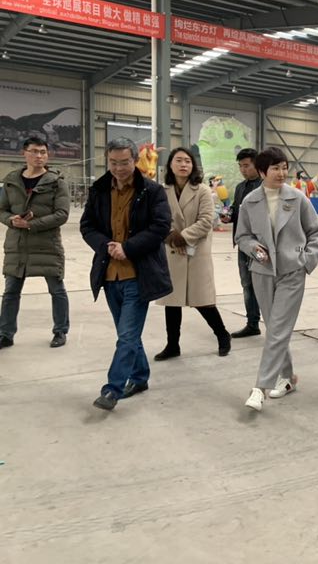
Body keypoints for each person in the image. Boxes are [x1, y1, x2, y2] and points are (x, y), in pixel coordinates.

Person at [80, 137, 172, 411]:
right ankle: (140, 377)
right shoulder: (99, 190)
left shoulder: (152, 191)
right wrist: (106, 246)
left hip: (138, 275)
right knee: (127, 333)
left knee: (127, 336)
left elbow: (161, 226)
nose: (119, 168)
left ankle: (113, 389)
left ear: (135, 160)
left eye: (124, 162)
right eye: (113, 162)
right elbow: (87, 226)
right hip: (109, 275)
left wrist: (128, 248)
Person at [236, 147, 318, 412]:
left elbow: (315, 232)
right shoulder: (250, 201)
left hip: (291, 272)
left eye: (284, 167)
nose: (282, 173)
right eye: (275, 168)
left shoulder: (298, 198)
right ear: (262, 172)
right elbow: (242, 236)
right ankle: (288, 378)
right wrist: (253, 248)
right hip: (262, 272)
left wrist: (306, 261)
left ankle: (259, 387)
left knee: (277, 329)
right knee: (275, 328)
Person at [153, 148, 231, 361]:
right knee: (172, 300)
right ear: (170, 165)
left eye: (187, 161)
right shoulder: (163, 191)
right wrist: (170, 235)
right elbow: (158, 218)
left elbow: (206, 221)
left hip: (196, 250)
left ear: (193, 166)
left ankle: (222, 335)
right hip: (172, 249)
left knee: (202, 300)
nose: (183, 164)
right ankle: (172, 345)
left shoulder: (203, 190)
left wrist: (183, 237)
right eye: (178, 160)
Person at [0, 137, 70, 349]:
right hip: (17, 245)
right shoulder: (11, 180)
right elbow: (1, 210)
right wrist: (11, 220)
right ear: (24, 153)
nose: (39, 156)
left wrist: (32, 224)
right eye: (34, 151)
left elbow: (62, 214)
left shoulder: (57, 182)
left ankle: (60, 331)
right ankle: (5, 334)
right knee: (11, 292)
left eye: (43, 152)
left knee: (56, 289)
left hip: (47, 245)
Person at [224, 148, 263, 338]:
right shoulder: (240, 187)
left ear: (257, 164)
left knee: (265, 284)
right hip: (242, 244)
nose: (243, 170)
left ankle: (275, 323)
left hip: (260, 244)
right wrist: (228, 216)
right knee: (247, 284)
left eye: (246, 165)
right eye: (240, 166)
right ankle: (252, 323)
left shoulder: (265, 186)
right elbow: (235, 209)